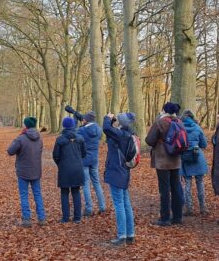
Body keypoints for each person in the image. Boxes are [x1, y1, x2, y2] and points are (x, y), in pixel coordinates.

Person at [145, 102, 184, 226]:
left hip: (163, 161)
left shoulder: (160, 122)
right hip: (176, 160)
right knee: (176, 188)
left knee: (165, 190)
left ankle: (165, 218)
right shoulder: (179, 122)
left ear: (163, 110)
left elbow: (149, 140)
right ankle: (178, 217)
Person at [102, 112, 137, 246]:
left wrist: (108, 118)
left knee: (119, 204)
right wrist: (112, 122)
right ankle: (130, 235)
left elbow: (106, 129)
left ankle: (122, 236)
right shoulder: (128, 133)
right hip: (123, 172)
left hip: (116, 172)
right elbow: (109, 132)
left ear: (121, 122)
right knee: (125, 203)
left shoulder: (121, 135)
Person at [65, 105, 106, 216]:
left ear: (86, 120)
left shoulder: (82, 130)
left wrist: (74, 117)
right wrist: (78, 115)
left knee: (85, 185)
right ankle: (102, 206)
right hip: (94, 159)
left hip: (84, 159)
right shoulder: (98, 128)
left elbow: (73, 132)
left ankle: (89, 208)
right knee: (97, 183)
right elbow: (88, 123)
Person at [7, 117, 46, 227]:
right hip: (36, 171)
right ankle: (42, 218)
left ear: (26, 125)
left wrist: (17, 139)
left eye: (24, 124)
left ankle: (27, 219)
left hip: (23, 171)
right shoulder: (40, 138)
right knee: (37, 194)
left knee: (24, 195)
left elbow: (10, 151)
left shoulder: (21, 139)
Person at [53, 117, 87, 224]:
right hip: (77, 168)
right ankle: (77, 217)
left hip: (64, 169)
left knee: (64, 193)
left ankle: (65, 218)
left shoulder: (60, 139)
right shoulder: (80, 138)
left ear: (64, 126)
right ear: (73, 126)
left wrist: (61, 164)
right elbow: (84, 154)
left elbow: (56, 156)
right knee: (76, 192)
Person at [179, 110, 209, 216]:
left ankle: (189, 208)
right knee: (200, 183)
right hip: (197, 157)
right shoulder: (197, 127)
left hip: (185, 158)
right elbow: (204, 144)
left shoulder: (180, 128)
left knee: (187, 184)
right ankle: (203, 208)